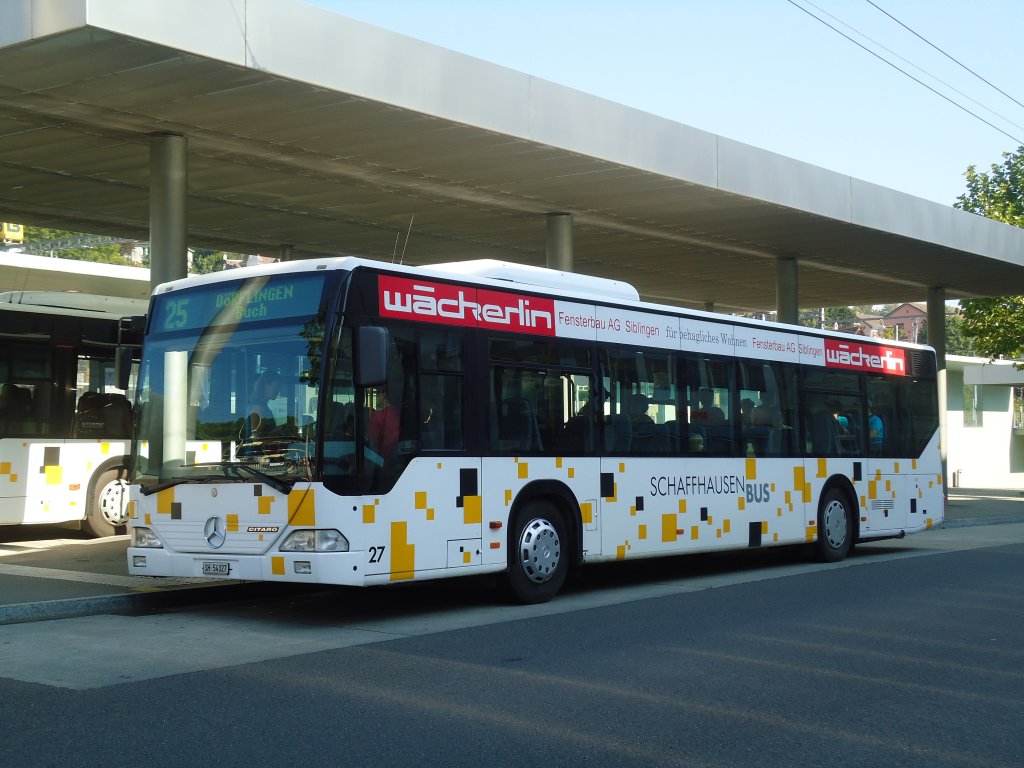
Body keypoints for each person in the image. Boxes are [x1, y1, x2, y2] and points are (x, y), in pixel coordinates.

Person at [247, 371, 282, 436]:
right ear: (266, 385)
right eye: (276, 386)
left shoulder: (261, 406)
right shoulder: (258, 408)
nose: (278, 390)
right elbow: (256, 437)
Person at [368, 388, 399, 459]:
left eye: (377, 392)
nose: (376, 396)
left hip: (384, 459)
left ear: (383, 395)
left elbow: (373, 442)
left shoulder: (377, 416)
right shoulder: (399, 413)